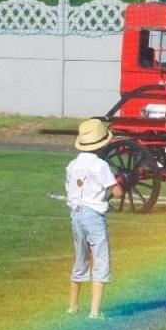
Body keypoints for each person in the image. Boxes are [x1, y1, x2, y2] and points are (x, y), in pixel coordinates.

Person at [65, 117, 123, 318]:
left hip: (76, 215)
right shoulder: (101, 166)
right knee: (100, 259)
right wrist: (120, 185)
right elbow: (116, 192)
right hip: (94, 216)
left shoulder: (72, 165)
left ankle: (72, 306)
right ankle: (94, 311)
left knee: (80, 258)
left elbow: (69, 190)